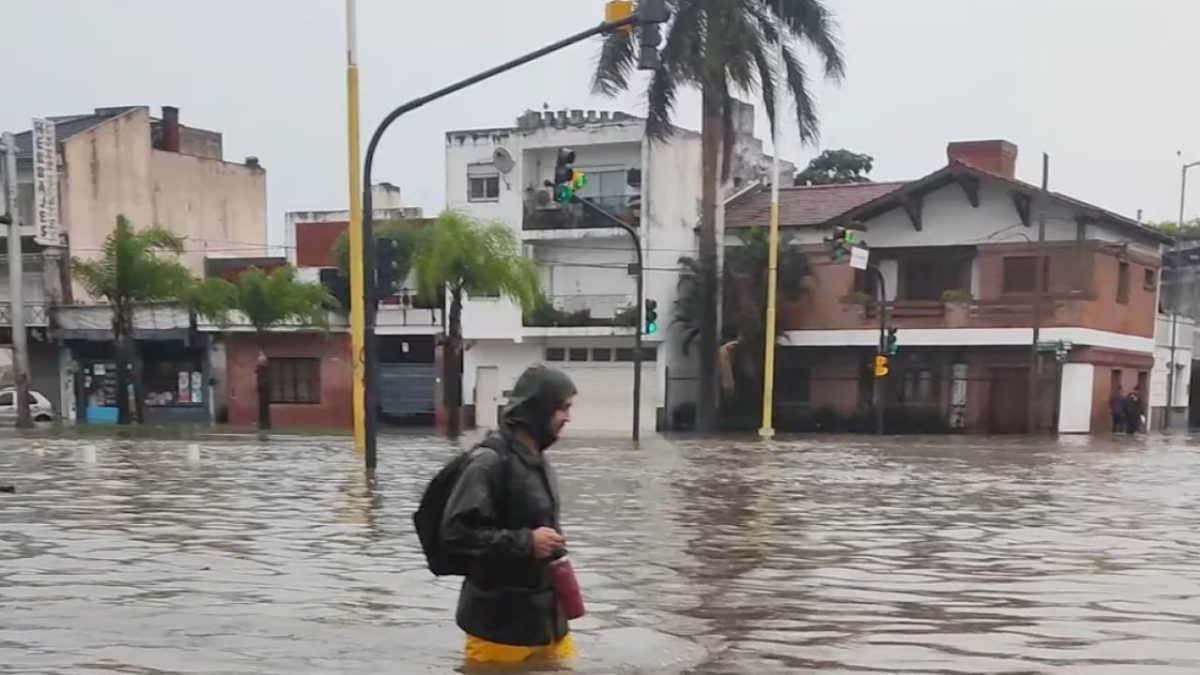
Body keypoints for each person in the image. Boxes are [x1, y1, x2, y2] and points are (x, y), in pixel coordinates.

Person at [440, 363, 577, 665]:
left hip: (550, 626)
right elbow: (455, 534)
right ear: (539, 408)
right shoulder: (488, 463)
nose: (568, 417)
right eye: (562, 408)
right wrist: (525, 542)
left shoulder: (539, 461)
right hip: (500, 634)